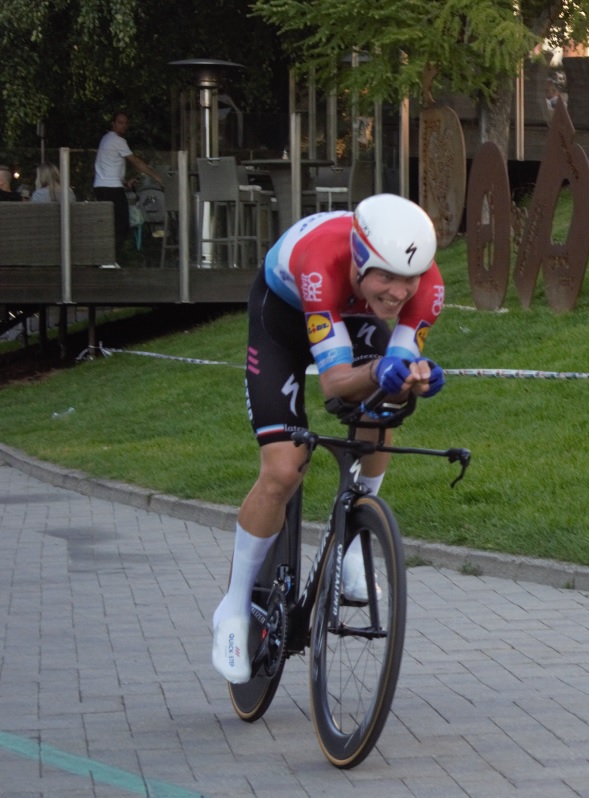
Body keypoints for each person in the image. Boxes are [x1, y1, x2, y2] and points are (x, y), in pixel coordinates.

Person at [211, 194, 448, 684]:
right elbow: (336, 383)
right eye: (387, 276)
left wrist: (415, 376)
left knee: (382, 407)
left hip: (351, 316)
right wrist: (379, 370)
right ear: (359, 259)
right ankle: (232, 606)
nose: (399, 292)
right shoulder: (321, 261)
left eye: (410, 278)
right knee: (284, 469)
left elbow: (395, 368)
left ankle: (355, 539)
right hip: (283, 319)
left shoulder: (428, 288)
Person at [93, 111, 164, 245]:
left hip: (100, 187)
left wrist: (125, 183)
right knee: (122, 225)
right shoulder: (118, 141)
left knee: (108, 224)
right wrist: (157, 177)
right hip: (112, 189)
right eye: (120, 123)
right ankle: (113, 254)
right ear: (113, 124)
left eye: (126, 123)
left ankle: (107, 254)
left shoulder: (105, 139)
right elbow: (135, 161)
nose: (124, 126)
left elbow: (107, 169)